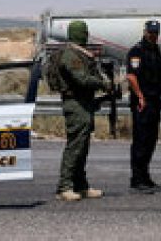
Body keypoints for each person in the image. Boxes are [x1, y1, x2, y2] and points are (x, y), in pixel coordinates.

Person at [54, 19, 112, 201]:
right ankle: (65, 186)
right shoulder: (70, 55)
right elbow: (82, 79)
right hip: (75, 104)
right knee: (75, 146)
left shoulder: (80, 54)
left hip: (84, 103)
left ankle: (81, 185)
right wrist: (103, 84)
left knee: (83, 146)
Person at [126, 19, 161, 192]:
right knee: (141, 140)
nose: (153, 35)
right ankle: (137, 178)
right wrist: (141, 97)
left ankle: (145, 176)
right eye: (151, 32)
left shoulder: (156, 51)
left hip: (155, 101)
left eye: (156, 33)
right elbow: (131, 76)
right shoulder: (137, 51)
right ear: (145, 32)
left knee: (151, 140)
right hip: (142, 102)